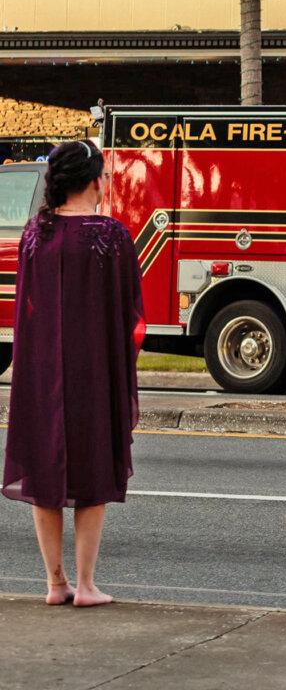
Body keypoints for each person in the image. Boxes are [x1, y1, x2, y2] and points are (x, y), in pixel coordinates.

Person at [2, 140, 145, 607]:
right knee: (93, 470)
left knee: (45, 471)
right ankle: (85, 585)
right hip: (94, 371)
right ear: (94, 181)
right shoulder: (112, 237)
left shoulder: (33, 235)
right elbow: (132, 320)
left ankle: (54, 582)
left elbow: (27, 309)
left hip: (42, 372)